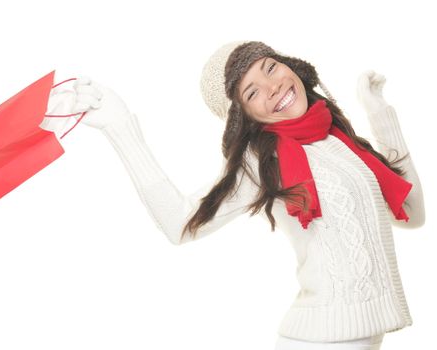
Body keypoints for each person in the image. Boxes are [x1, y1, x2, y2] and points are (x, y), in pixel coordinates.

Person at [42, 40, 425, 350]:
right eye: (252, 91)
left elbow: (412, 211)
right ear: (246, 116)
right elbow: (179, 224)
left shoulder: (337, 140)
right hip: (317, 340)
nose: (273, 86)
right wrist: (121, 127)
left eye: (270, 67)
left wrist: (380, 114)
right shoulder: (263, 162)